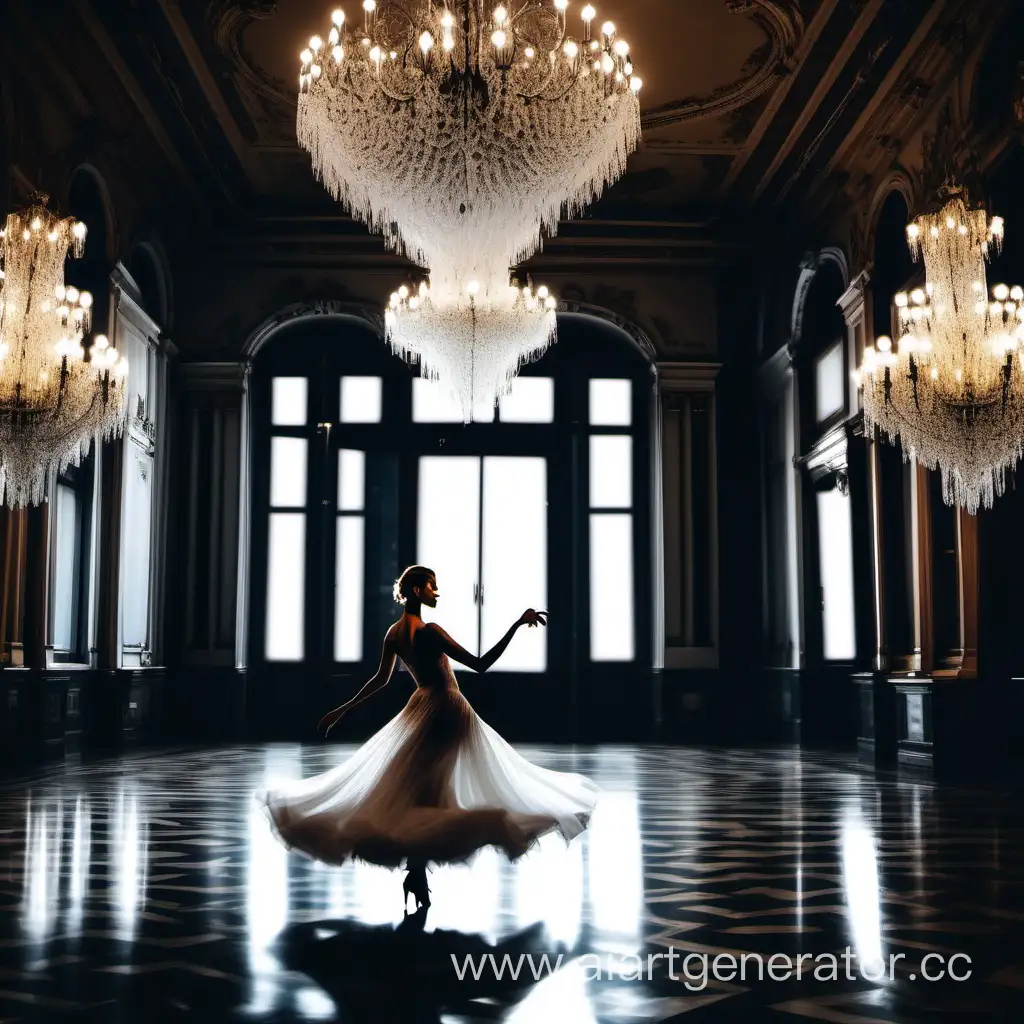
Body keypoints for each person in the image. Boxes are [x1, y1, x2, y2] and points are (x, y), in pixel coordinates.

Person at [255, 565, 599, 911]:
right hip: (447, 709)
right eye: (433, 587)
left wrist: (340, 711)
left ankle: (416, 872)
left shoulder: (394, 633)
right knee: (436, 792)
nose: (437, 593)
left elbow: (380, 680)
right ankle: (417, 871)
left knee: (423, 791)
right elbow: (480, 664)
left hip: (420, 707)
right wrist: (516, 625)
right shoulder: (430, 631)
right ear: (417, 591)